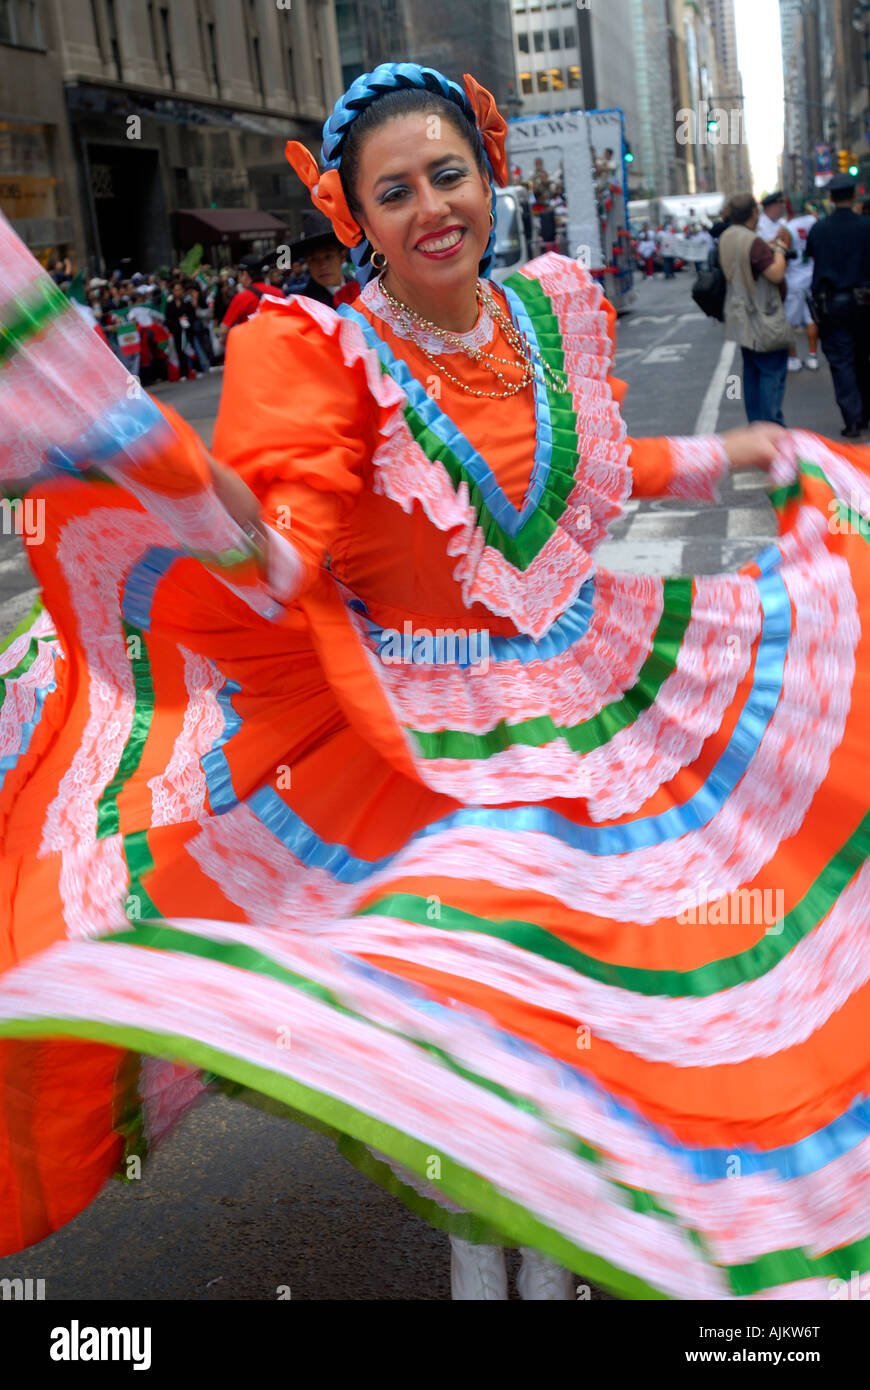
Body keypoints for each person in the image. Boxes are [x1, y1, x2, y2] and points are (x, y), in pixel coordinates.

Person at [2, 60, 870, 1306]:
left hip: (599, 697)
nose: (431, 208)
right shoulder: (316, 352)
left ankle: (593, 1241)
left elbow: (590, 483)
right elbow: (286, 551)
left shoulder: (552, 311)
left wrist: (740, 451)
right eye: (394, 191)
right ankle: (484, 1264)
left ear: (489, 175)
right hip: (419, 741)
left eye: (447, 174)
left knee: (623, 992)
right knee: (477, 1001)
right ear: (356, 216)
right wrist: (179, 475)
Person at [718, 191, 793, 424]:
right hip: (762, 314)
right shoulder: (754, 242)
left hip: (740, 314)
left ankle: (757, 424)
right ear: (754, 213)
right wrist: (780, 250)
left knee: (751, 372)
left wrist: (766, 247)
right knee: (771, 372)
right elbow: (776, 273)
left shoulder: (728, 235)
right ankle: (772, 426)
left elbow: (745, 257)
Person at [806, 171, 870, 438]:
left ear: (831, 198)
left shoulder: (819, 229)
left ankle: (852, 419)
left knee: (841, 362)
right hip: (865, 303)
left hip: (832, 305)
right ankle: (865, 413)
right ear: (854, 196)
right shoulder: (866, 226)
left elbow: (810, 258)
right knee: (864, 359)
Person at [286, 211, 361, 308]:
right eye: (313, 259)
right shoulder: (305, 307)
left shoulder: (362, 288)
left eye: (328, 256)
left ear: (342, 257)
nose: (322, 265)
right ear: (307, 262)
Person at [784, 200, 820, 372]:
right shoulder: (813, 222)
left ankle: (794, 358)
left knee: (789, 321)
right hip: (811, 275)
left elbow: (784, 253)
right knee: (811, 318)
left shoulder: (787, 227)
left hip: (794, 279)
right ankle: (813, 355)